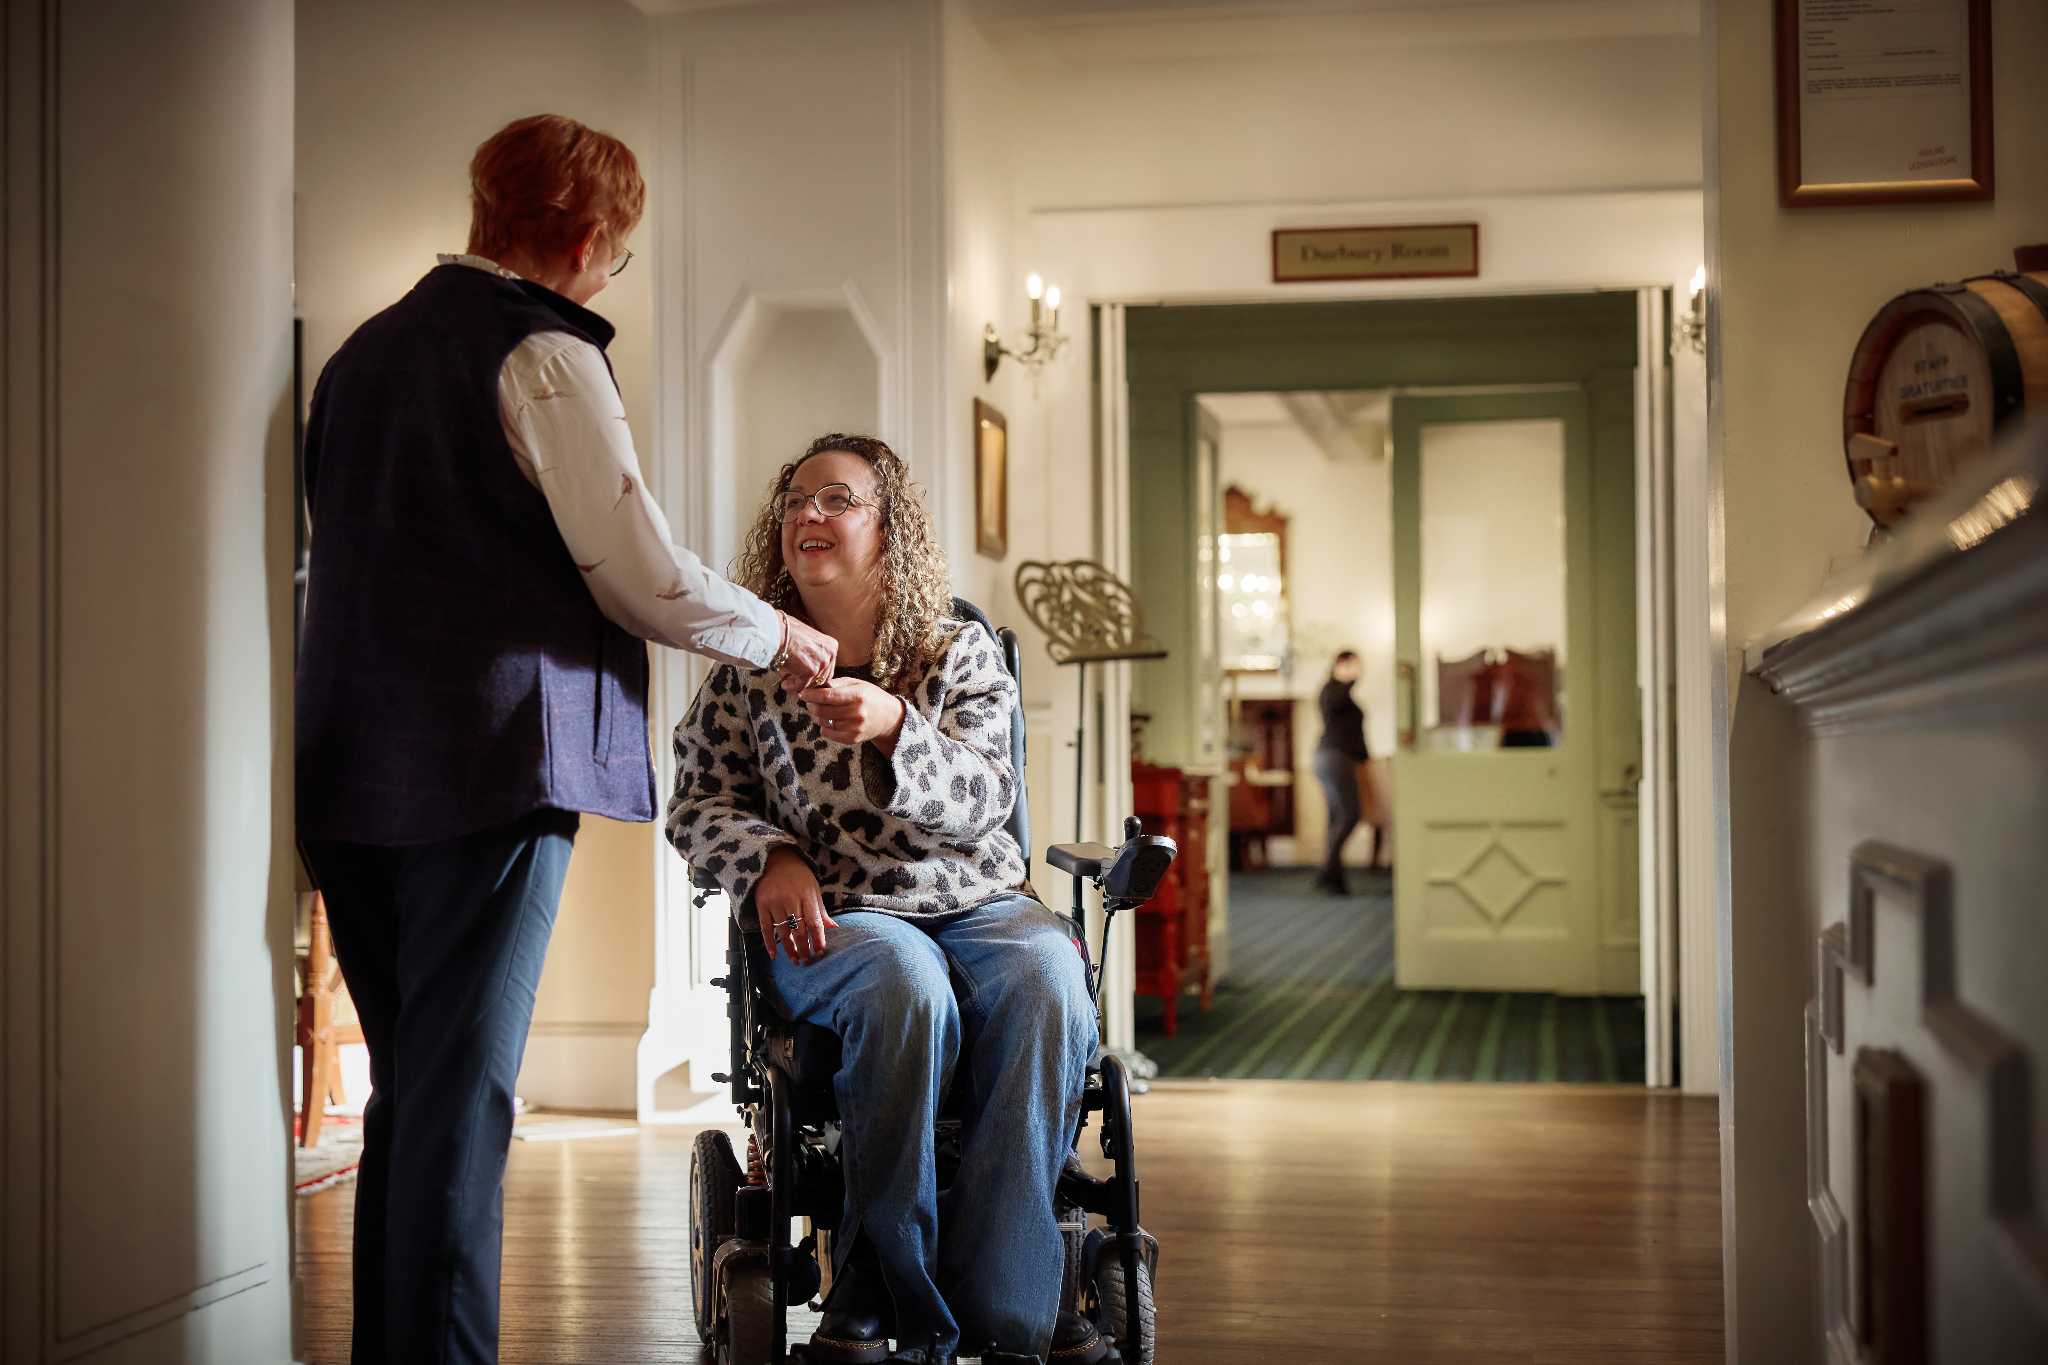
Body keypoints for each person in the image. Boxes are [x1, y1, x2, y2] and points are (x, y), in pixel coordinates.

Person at [295, 114, 835, 1365]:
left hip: (346, 763)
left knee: (415, 1096)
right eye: (620, 258)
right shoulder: (541, 352)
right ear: (590, 240)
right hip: (482, 765)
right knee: (464, 1096)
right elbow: (636, 572)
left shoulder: (360, 357)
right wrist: (780, 636)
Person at [667, 434, 1105, 1365]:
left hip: (979, 900)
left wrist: (898, 723)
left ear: (888, 528)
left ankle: (1008, 1301)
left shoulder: (954, 651)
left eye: (837, 498)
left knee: (1049, 976)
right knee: (906, 980)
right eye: (794, 500)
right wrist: (771, 854)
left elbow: (990, 793)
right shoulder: (753, 669)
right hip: (842, 911)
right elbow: (698, 801)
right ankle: (875, 1275)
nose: (807, 515)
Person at [1312, 650, 1373, 894]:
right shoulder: (1332, 691)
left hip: (1334, 758)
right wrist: (1345, 678)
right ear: (1337, 665)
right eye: (1349, 665)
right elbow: (1336, 704)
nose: (1355, 671)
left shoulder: (1342, 693)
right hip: (1333, 758)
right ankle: (1328, 869)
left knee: (1337, 817)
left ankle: (1332, 873)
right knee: (1350, 815)